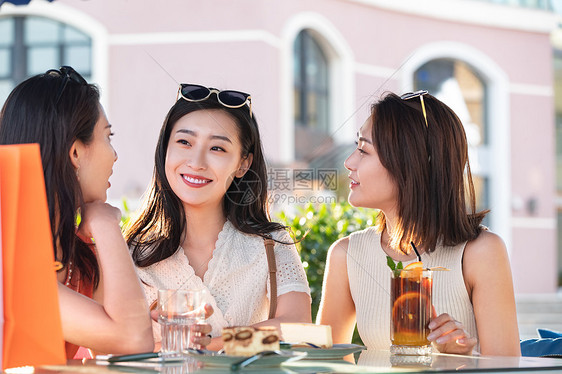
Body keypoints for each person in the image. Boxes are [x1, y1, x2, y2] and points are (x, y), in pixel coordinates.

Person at [317, 90, 521, 356]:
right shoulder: (346, 255)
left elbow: (506, 370)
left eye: (364, 150)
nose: (349, 162)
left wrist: (459, 360)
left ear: (410, 163)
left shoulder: (480, 252)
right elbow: (322, 365)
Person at [124, 84, 311, 350]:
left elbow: (297, 326)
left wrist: (210, 344)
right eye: (184, 142)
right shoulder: (133, 251)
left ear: (243, 164)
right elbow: (117, 346)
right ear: (165, 148)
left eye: (218, 149)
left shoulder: (271, 242)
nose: (197, 162)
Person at [0, 67, 154, 358]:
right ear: (75, 153)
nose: (115, 155)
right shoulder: (10, 257)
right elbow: (133, 339)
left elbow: (114, 346)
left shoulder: (76, 253)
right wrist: (107, 223)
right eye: (108, 137)